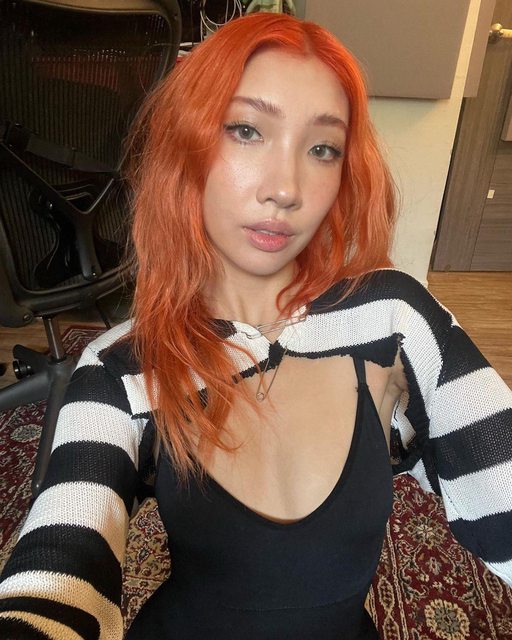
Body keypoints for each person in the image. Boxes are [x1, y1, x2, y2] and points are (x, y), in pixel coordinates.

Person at [0, 12, 511, 640]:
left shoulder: (392, 317)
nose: (286, 189)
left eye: (322, 149)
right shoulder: (122, 368)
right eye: (246, 131)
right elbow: (57, 568)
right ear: (187, 144)